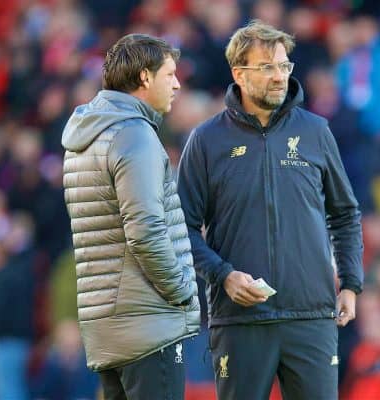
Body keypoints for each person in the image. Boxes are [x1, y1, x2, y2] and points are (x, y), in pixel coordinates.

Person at [177, 20, 364, 400]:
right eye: (267, 68)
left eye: (284, 66)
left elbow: (344, 214)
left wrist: (351, 283)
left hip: (311, 316)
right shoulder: (205, 141)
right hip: (239, 321)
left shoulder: (316, 132)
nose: (279, 76)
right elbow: (181, 229)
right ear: (238, 74)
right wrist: (224, 275)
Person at [61, 34, 200, 400]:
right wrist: (182, 290)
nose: (177, 83)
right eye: (169, 74)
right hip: (147, 326)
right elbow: (145, 232)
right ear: (144, 78)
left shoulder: (85, 136)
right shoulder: (134, 134)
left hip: (107, 328)